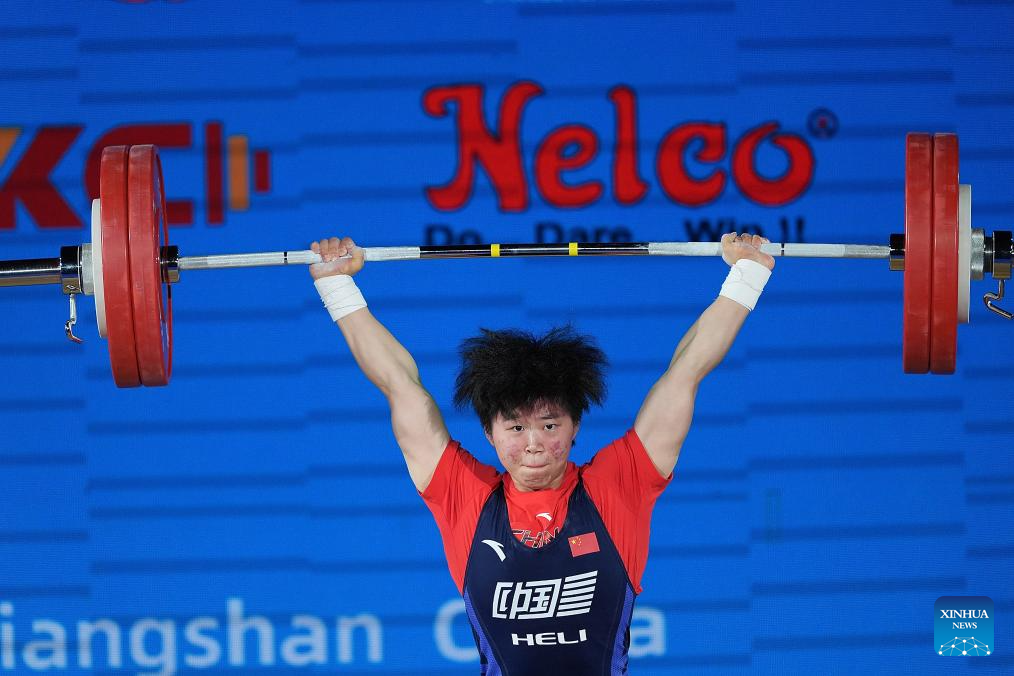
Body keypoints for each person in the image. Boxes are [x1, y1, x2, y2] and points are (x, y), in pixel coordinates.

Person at [309, 233, 774, 675]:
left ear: (575, 428)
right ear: (490, 434)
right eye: (515, 427)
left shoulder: (618, 485)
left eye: (549, 425)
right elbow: (400, 385)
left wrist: (746, 276)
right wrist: (337, 285)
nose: (533, 443)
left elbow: (686, 372)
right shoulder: (463, 495)